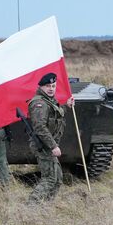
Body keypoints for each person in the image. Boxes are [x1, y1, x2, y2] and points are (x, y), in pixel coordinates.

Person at [27, 72, 74, 203]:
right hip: (43, 146)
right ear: (41, 87)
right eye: (48, 86)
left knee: (57, 179)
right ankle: (31, 206)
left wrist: (66, 106)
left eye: (53, 85)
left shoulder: (49, 101)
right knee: (50, 179)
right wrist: (53, 146)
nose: (51, 88)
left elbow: (55, 115)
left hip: (49, 145)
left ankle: (47, 207)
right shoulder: (39, 103)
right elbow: (40, 127)